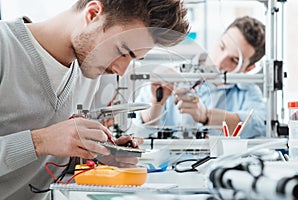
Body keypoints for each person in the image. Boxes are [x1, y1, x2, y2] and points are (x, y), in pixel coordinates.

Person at [0, 0, 189, 199]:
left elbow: (43, 166)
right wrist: (40, 141)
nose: (121, 70)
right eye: (121, 51)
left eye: (133, 59)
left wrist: (100, 157)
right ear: (93, 14)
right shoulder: (5, 47)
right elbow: (43, 144)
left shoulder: (87, 70)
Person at [137, 16, 266, 139]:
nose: (220, 62)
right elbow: (139, 127)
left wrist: (205, 115)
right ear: (217, 39)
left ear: (249, 68)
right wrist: (157, 102)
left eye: (234, 60)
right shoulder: (169, 75)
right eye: (222, 47)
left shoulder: (248, 92)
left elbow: (258, 124)